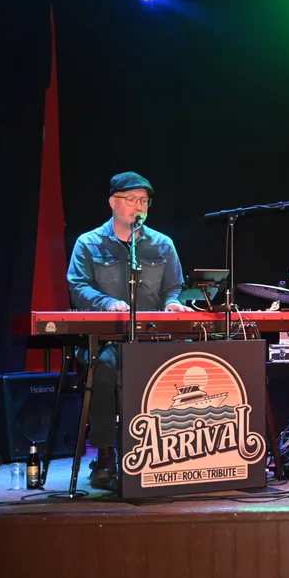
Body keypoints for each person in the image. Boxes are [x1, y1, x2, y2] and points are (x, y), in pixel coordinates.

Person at [66, 172, 191, 489]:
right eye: (132, 199)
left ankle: (171, 451)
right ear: (113, 202)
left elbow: (174, 287)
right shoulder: (88, 243)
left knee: (183, 365)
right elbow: (78, 286)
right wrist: (107, 303)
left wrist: (173, 303)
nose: (139, 206)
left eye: (144, 201)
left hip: (152, 338)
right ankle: (105, 455)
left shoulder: (162, 244)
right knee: (103, 369)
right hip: (105, 340)